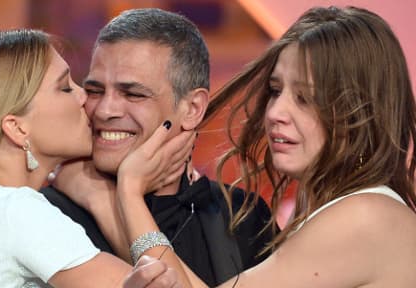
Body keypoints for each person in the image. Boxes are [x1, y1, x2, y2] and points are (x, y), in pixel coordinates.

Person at [135, 5, 416, 287]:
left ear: (358, 110)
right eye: (275, 90)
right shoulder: (336, 208)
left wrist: (125, 199)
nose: (274, 113)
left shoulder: (363, 217)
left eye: (305, 98)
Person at [0, 29, 188, 288]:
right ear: (16, 128)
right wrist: (129, 190)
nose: (84, 97)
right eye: (65, 88)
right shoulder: (17, 211)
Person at [40, 8, 276, 286]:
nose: (105, 110)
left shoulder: (242, 214)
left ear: (192, 108)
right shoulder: (46, 214)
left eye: (133, 94)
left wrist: (119, 196)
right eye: (94, 91)